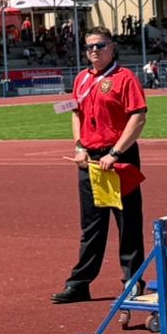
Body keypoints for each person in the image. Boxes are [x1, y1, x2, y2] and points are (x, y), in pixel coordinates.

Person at [52, 28, 148, 304]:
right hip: (90, 160)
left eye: (100, 45)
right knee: (91, 226)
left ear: (112, 47)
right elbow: (75, 113)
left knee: (127, 222)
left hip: (118, 159)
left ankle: (132, 280)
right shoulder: (82, 79)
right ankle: (80, 282)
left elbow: (138, 118)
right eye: (89, 47)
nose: (94, 51)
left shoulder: (124, 78)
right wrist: (79, 146)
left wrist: (116, 153)